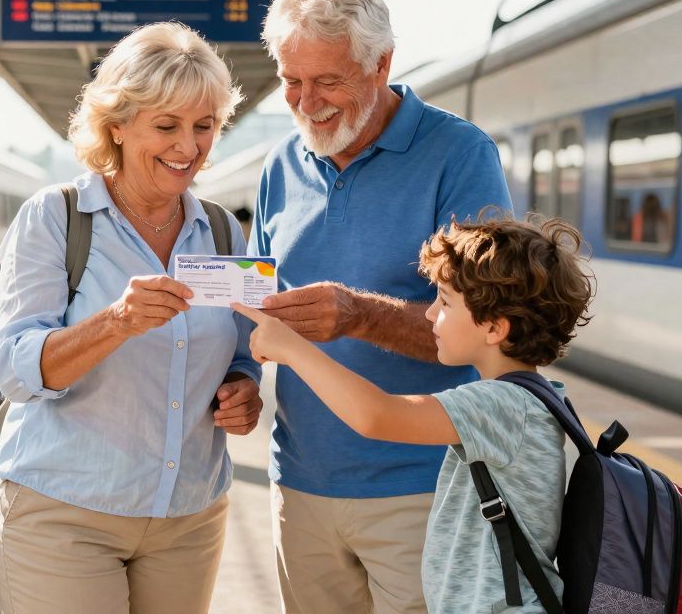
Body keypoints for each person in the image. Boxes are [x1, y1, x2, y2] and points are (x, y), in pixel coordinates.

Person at [251, 0, 513, 613]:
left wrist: (358, 315)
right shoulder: (278, 166)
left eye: (327, 82)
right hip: (301, 487)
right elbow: (255, 302)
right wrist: (232, 376)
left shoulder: (460, 155)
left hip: (423, 487)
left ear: (381, 63)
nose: (305, 103)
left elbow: (488, 329)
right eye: (291, 82)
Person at [0, 22, 264, 614]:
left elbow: (238, 356)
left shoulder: (221, 230)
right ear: (116, 125)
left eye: (204, 126)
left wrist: (244, 390)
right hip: (66, 510)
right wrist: (114, 322)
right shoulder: (56, 218)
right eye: (166, 126)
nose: (187, 147)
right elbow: (13, 371)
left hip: (188, 515)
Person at [233, 214, 594, 614]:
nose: (428, 314)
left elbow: (378, 415)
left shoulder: (501, 407)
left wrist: (291, 349)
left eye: (444, 301)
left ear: (494, 328)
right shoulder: (532, 398)